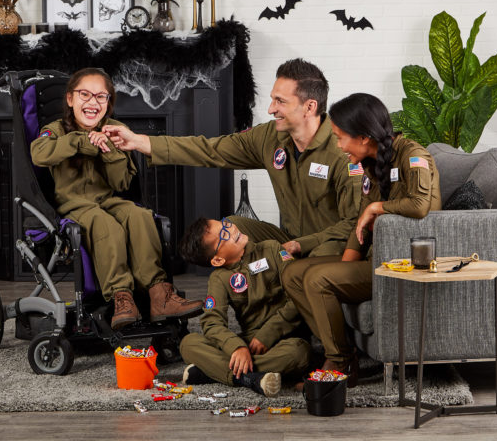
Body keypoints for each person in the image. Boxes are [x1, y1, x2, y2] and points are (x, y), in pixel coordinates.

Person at [103, 58, 361, 259]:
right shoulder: (269, 137)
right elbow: (211, 149)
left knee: (321, 253)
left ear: (310, 107)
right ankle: (243, 302)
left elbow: (353, 224)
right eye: (272, 99)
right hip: (289, 236)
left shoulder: (344, 151)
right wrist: (139, 141)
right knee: (232, 227)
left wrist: (303, 245)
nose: (271, 109)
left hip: (327, 245)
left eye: (280, 101)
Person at [281, 92, 441, 387]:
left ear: (365, 137)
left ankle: (339, 364)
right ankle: (342, 352)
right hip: (376, 259)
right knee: (292, 272)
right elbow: (360, 226)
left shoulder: (413, 155)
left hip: (404, 264)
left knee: (317, 279)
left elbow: (420, 205)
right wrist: (343, 271)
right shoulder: (371, 164)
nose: (339, 146)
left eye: (341, 138)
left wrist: (376, 206)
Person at [30, 67, 203, 330]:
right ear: (70, 99)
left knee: (140, 216)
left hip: (108, 199)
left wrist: (108, 149)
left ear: (109, 103)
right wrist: (82, 141)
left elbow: (122, 183)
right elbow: (39, 154)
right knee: (104, 223)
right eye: (85, 94)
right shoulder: (54, 130)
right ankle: (122, 297)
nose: (93, 102)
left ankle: (159, 295)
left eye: (101, 97)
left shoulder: (117, 130)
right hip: (74, 205)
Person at [177, 217, 310, 397]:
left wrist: (267, 335)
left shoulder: (272, 249)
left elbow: (298, 296)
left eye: (226, 224)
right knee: (188, 344)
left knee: (298, 352)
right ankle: (250, 378)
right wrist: (237, 348)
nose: (231, 229)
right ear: (217, 260)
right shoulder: (219, 278)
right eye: (224, 234)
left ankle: (213, 372)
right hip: (248, 343)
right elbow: (212, 322)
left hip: (285, 337)